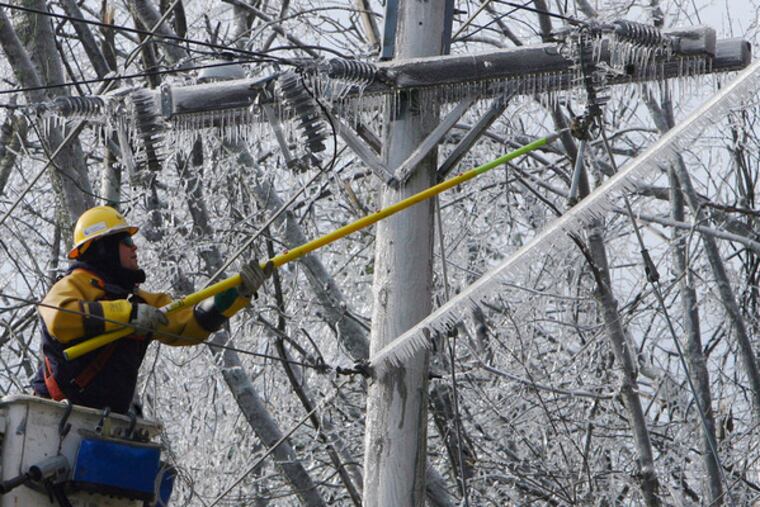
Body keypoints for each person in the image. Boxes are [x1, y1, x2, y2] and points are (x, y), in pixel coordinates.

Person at [32, 206, 272, 414]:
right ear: (103, 247)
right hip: (55, 417)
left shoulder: (139, 300)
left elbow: (187, 324)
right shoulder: (73, 285)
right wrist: (127, 314)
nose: (134, 248)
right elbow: (60, 318)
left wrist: (233, 297)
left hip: (106, 421)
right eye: (126, 241)